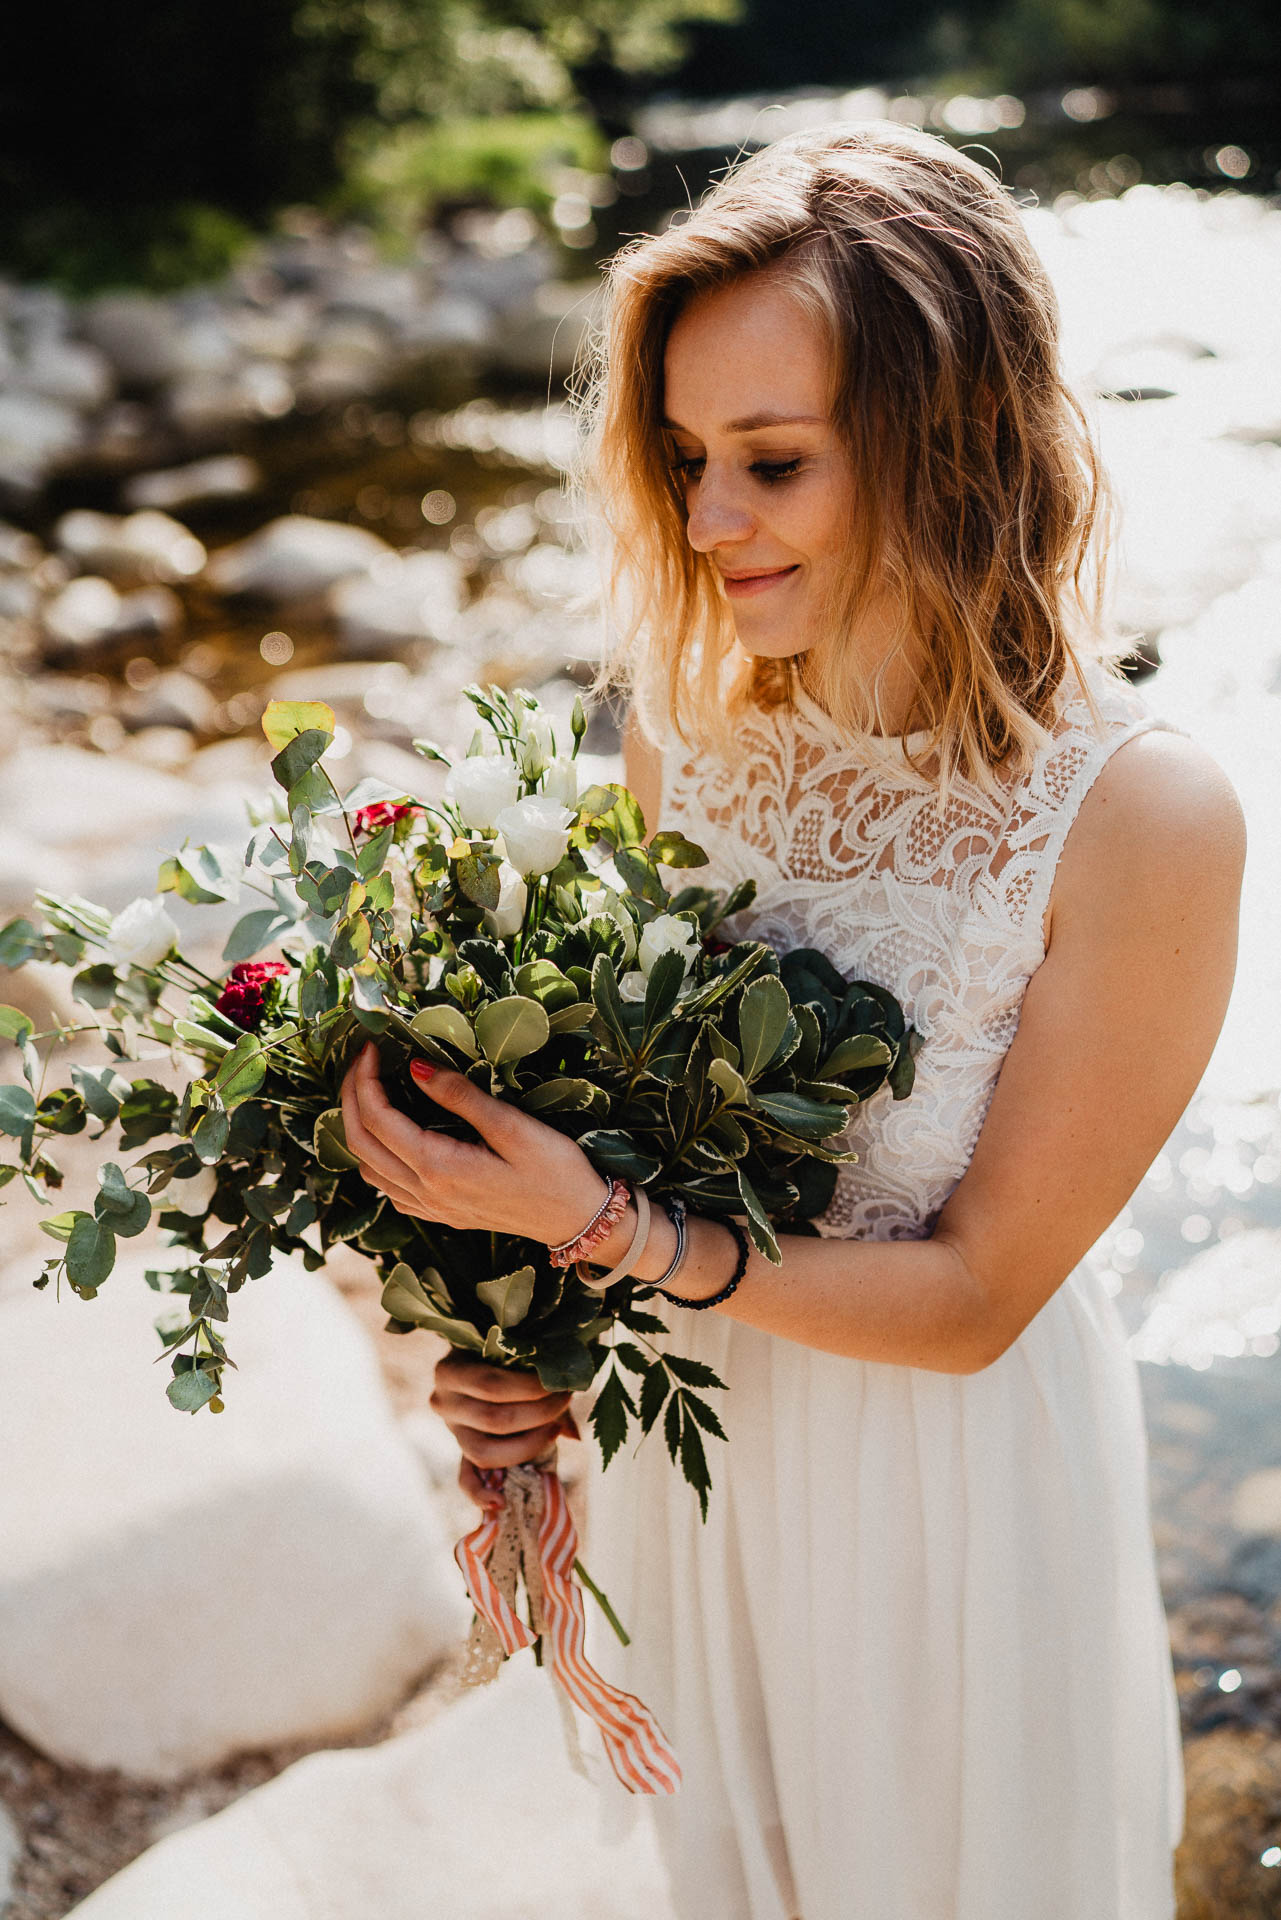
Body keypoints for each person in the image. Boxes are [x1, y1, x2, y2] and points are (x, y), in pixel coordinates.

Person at [340, 123, 1246, 1920]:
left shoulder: (1141, 821)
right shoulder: (689, 730)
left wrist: (595, 1229)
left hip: (948, 1499)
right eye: (686, 457)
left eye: (771, 459)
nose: (704, 519)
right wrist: (522, 1332)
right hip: (707, 1449)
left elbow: (981, 1299)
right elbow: (642, 1143)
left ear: (951, 438)